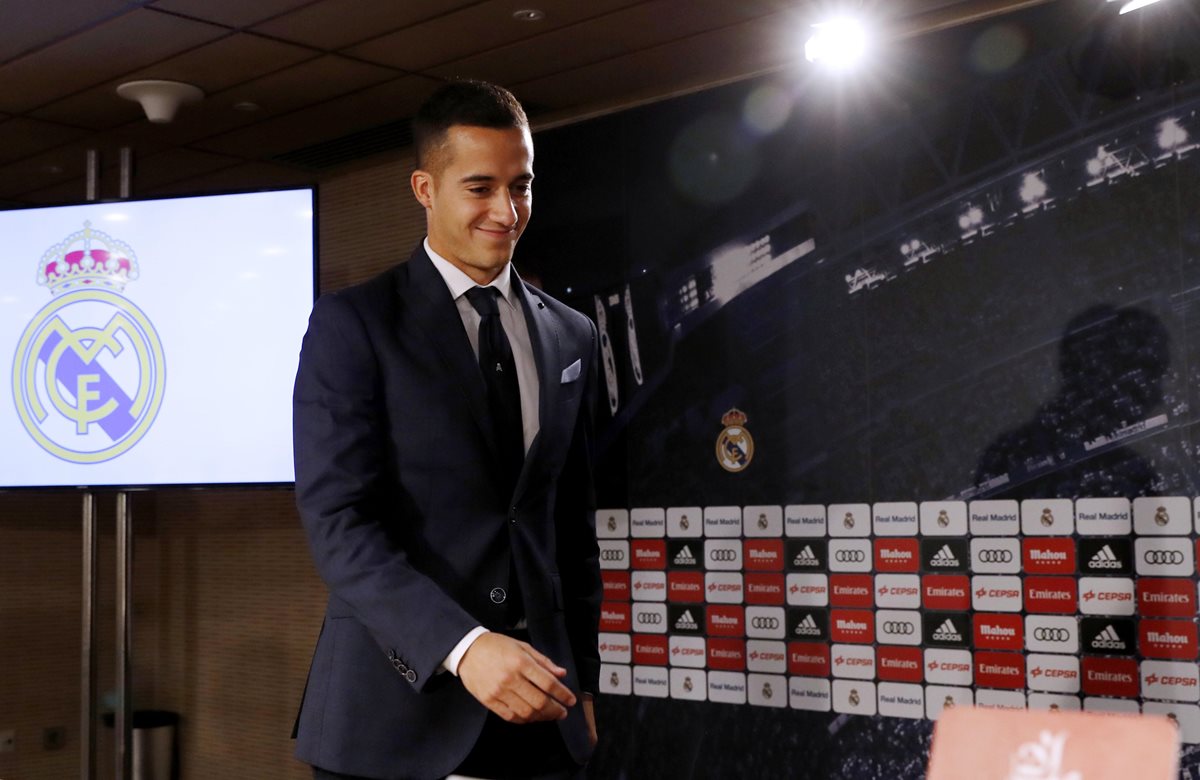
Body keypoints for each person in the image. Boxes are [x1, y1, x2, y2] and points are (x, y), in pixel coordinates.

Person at [292, 80, 601, 780]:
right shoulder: (355, 327)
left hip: (543, 722)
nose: (507, 210)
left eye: (521, 185)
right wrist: (465, 646)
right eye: (481, 187)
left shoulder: (573, 334)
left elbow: (572, 530)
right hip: (392, 723)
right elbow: (339, 524)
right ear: (424, 188)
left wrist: (585, 683)